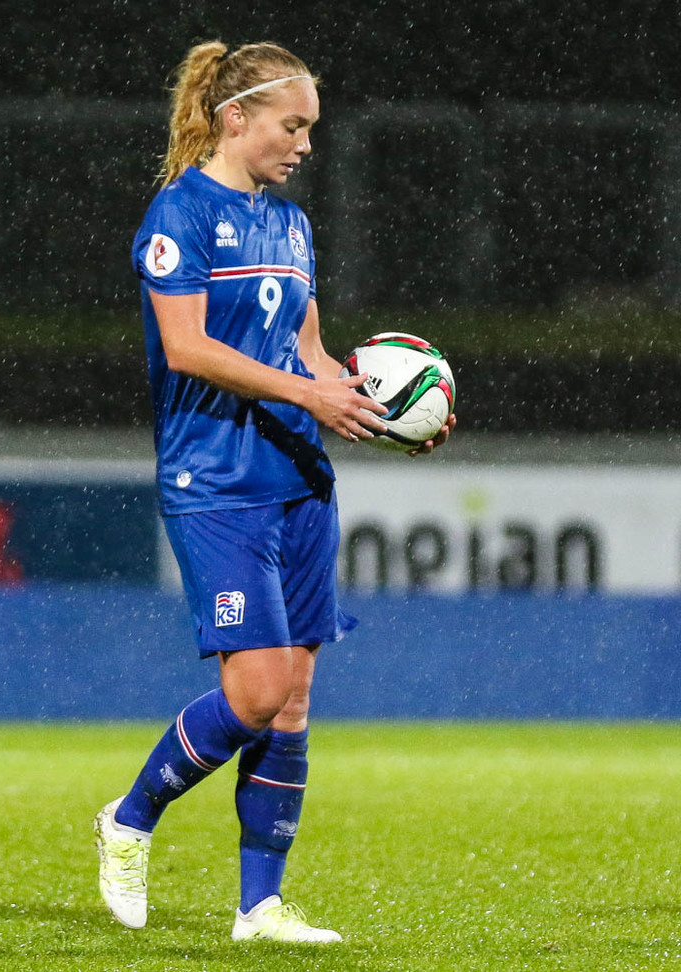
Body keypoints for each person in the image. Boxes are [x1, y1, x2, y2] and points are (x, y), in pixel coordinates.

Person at [94, 39, 454, 945]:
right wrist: (307, 392)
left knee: (292, 700)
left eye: (310, 128)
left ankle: (260, 907)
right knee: (255, 693)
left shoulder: (290, 225)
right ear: (235, 118)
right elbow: (187, 349)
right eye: (292, 126)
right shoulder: (180, 213)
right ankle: (130, 818)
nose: (304, 144)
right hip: (215, 481)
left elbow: (313, 356)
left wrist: (382, 412)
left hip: (298, 478)